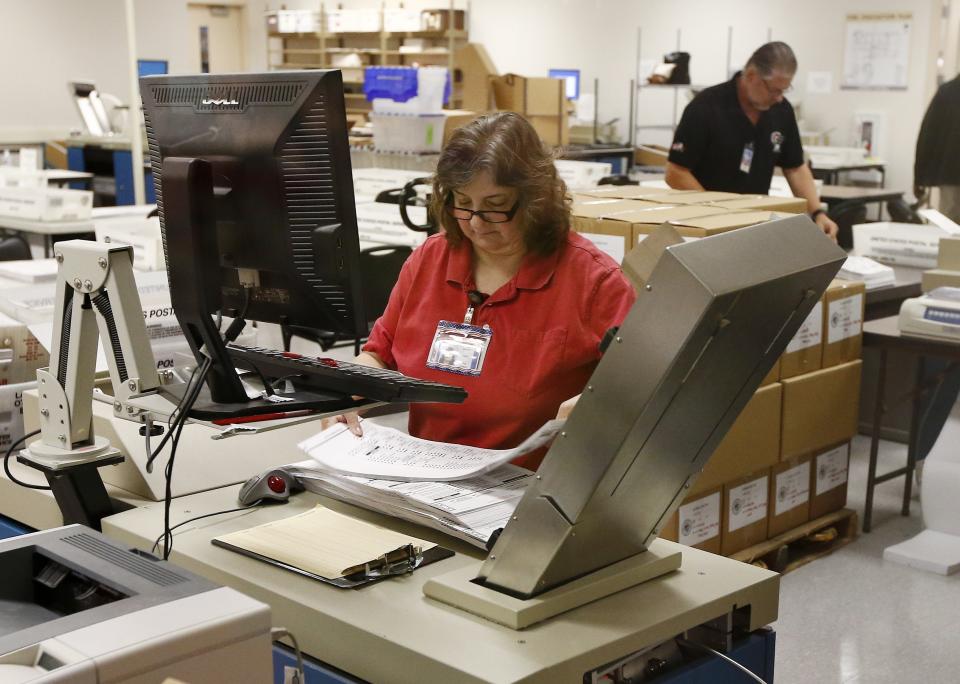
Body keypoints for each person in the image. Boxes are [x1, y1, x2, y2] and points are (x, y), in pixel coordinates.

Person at [332, 112, 636, 470]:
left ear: (536, 199)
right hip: (425, 475)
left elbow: (647, 384)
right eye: (462, 202)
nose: (475, 222)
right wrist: (345, 395)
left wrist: (598, 402)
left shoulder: (593, 281)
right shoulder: (430, 259)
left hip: (525, 488)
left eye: (495, 206)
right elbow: (378, 354)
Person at [665, 41, 838, 241]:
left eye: (784, 90)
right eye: (774, 90)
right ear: (751, 76)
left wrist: (817, 213)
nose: (779, 98)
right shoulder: (706, 106)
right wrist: (716, 211)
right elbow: (675, 172)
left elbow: (795, 167)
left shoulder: (781, 111)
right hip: (703, 225)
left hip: (755, 224)